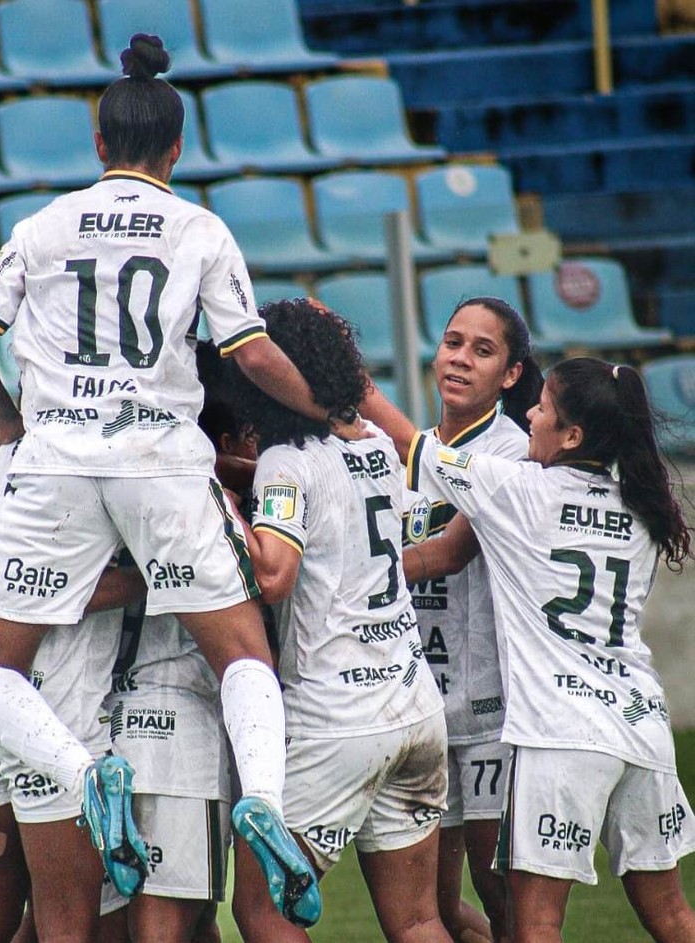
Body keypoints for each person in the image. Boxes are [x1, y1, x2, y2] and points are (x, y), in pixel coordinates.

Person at [0, 33, 361, 926]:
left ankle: (88, 771)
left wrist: (15, 427)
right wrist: (325, 408)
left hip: (56, 463)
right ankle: (263, 801)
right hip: (163, 461)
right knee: (242, 652)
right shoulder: (200, 229)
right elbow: (250, 352)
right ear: (177, 150)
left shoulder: (43, 225)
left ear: (99, 145)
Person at [362, 357, 695, 943]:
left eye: (543, 408)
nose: (531, 417)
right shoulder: (644, 506)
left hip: (558, 736)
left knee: (535, 924)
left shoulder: (519, 490)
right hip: (642, 725)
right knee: (671, 915)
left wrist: (350, 378)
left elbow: (408, 442)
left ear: (572, 436)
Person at [223, 298, 451, 943]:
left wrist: (219, 502)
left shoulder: (285, 461)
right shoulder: (375, 442)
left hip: (336, 717)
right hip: (412, 703)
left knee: (262, 911)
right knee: (418, 918)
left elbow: (274, 575)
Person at [0, 436, 145, 943]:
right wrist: (149, 580)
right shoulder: (118, 461)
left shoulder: (9, 456)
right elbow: (164, 575)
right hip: (50, 721)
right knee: (67, 927)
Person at [97, 343, 256, 943]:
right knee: (165, 927)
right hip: (179, 731)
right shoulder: (207, 500)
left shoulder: (104, 471)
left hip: (107, 719)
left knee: (185, 924)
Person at [402, 297, 543, 943]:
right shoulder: (415, 451)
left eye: (481, 349)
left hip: (492, 706)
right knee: (429, 903)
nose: (459, 358)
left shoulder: (517, 452)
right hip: (422, 705)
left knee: (500, 895)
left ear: (510, 374)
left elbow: (449, 554)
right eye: (453, 341)